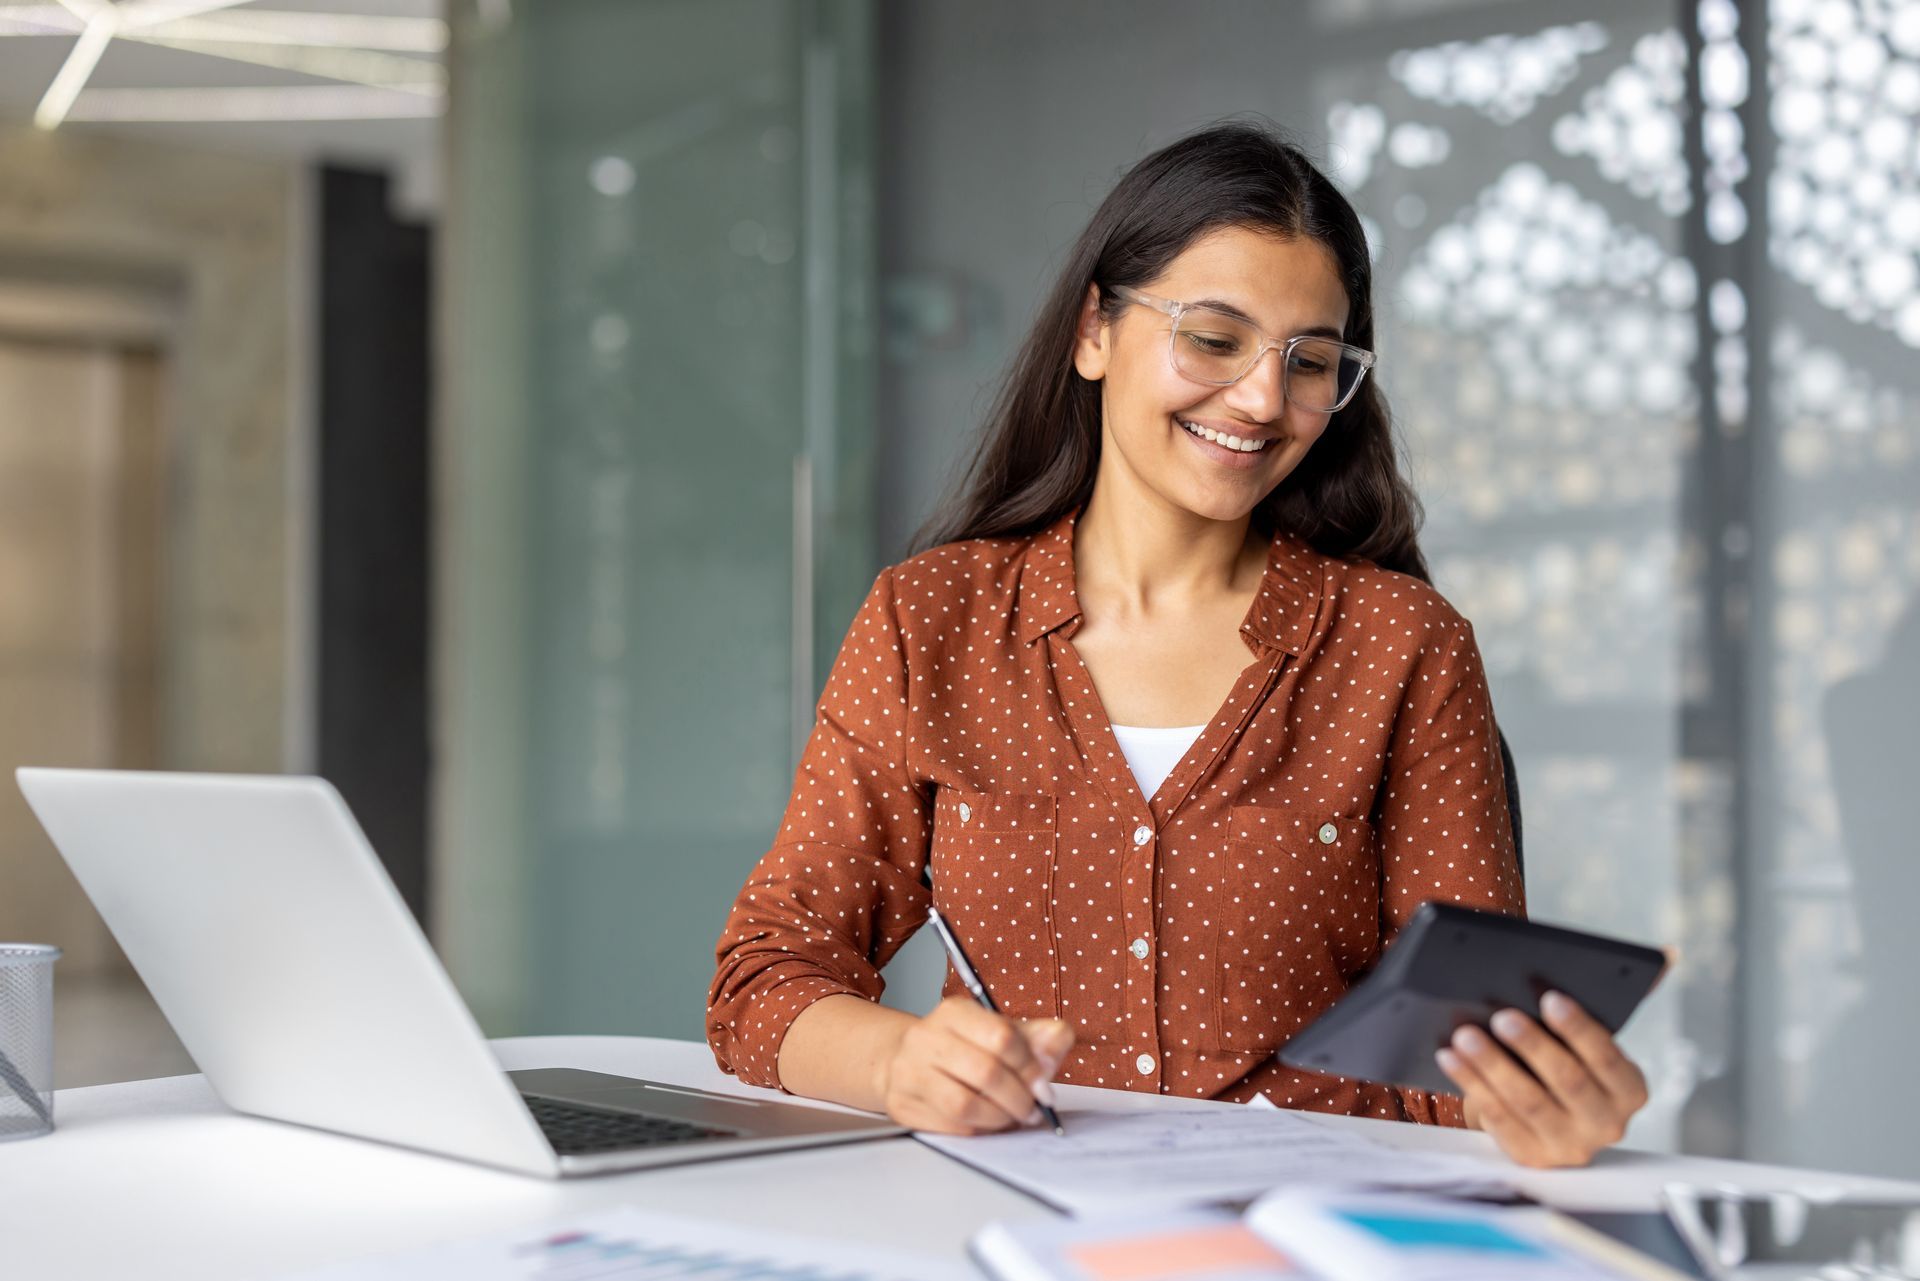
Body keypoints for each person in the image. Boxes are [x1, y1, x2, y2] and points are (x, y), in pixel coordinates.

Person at [707, 121, 1649, 1168]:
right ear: (1093, 333)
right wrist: (900, 1066)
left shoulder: (1401, 646)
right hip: (1015, 1225)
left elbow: (1458, 1056)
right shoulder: (932, 621)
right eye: (1213, 338)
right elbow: (767, 977)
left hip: (1314, 1233)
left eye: (1311, 362)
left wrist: (1545, 1110)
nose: (1260, 399)